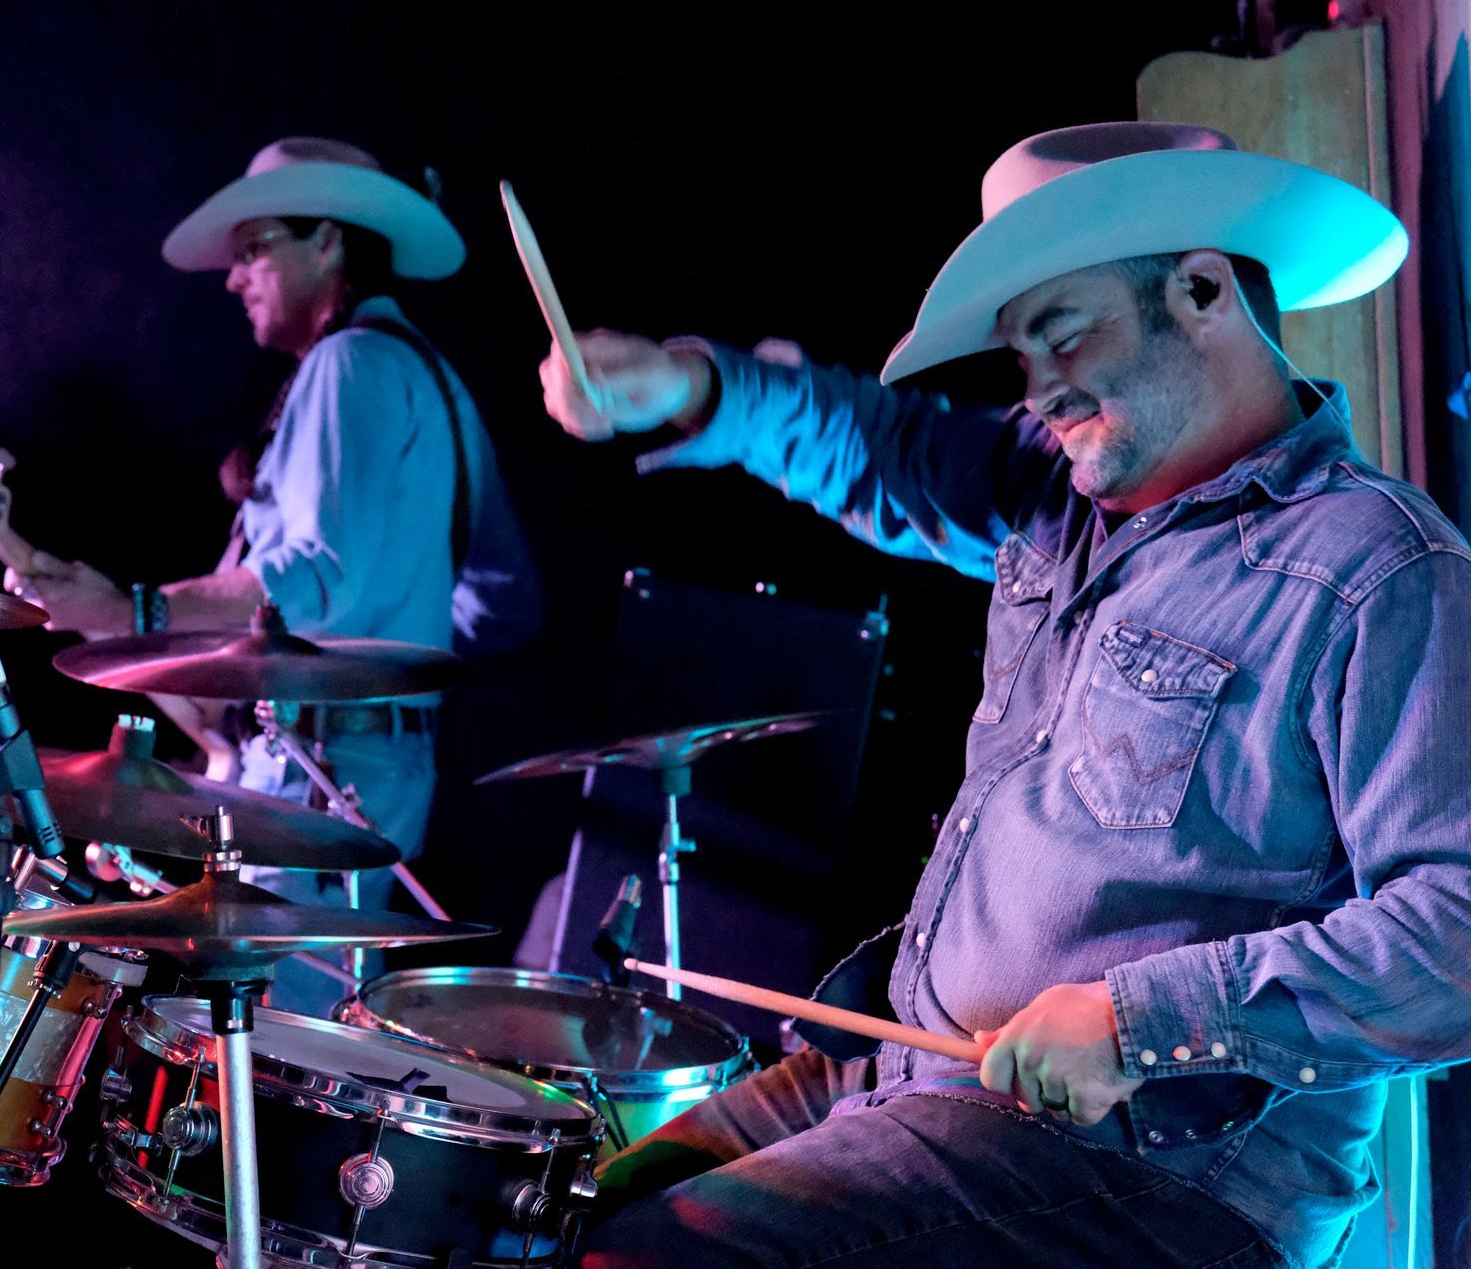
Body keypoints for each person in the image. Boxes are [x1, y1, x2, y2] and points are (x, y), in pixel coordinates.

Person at [537, 122, 1471, 1268]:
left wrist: (1141, 1020)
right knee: (557, 1205)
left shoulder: (1377, 567)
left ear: (1201, 288)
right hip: (906, 1071)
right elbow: (883, 447)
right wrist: (697, 385)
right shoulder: (1054, 494)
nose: (1037, 392)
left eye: (1062, 336)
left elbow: (1457, 935)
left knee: (652, 1256)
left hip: (1152, 1170)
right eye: (1020, 357)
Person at [14, 137, 533, 1015]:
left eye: (253, 248)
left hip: (324, 760)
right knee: (302, 1025)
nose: (233, 276)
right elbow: (504, 598)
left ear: (327, 239)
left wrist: (125, 609)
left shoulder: (348, 363)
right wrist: (394, 666)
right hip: (371, 760)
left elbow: (316, 578)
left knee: (256, 1040)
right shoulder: (433, 379)